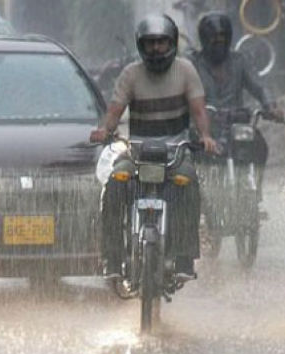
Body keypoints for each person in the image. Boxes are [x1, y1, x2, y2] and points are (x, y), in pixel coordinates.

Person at [89, 14, 218, 280]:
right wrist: (105, 130)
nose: (156, 49)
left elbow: (199, 110)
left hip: (177, 151)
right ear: (141, 46)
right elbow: (114, 111)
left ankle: (184, 258)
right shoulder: (130, 74)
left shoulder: (186, 70)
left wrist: (206, 136)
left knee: (189, 184)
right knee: (114, 184)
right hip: (136, 152)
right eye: (150, 43)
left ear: (171, 43)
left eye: (161, 42)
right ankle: (112, 258)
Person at [188, 12, 283, 194]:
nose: (219, 41)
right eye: (213, 37)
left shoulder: (240, 60)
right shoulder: (193, 63)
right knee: (188, 156)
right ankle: (194, 197)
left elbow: (259, 86)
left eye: (223, 36)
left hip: (236, 124)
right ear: (204, 39)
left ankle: (255, 190)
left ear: (229, 37)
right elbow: (182, 89)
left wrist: (271, 106)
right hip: (204, 127)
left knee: (259, 145)